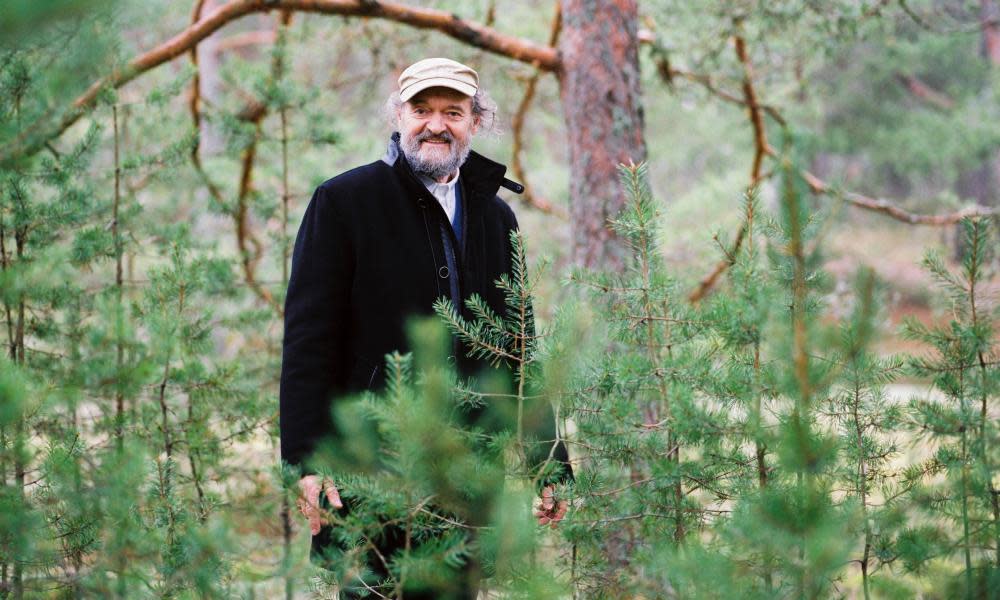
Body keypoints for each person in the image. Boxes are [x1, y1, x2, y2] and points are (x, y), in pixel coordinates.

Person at [279, 57, 571, 599]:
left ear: (475, 123)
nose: (436, 124)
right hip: (371, 465)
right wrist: (308, 459)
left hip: (468, 469)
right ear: (399, 115)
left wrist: (548, 462)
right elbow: (307, 343)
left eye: (452, 112)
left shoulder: (496, 218)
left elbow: (519, 348)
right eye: (422, 109)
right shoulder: (344, 203)